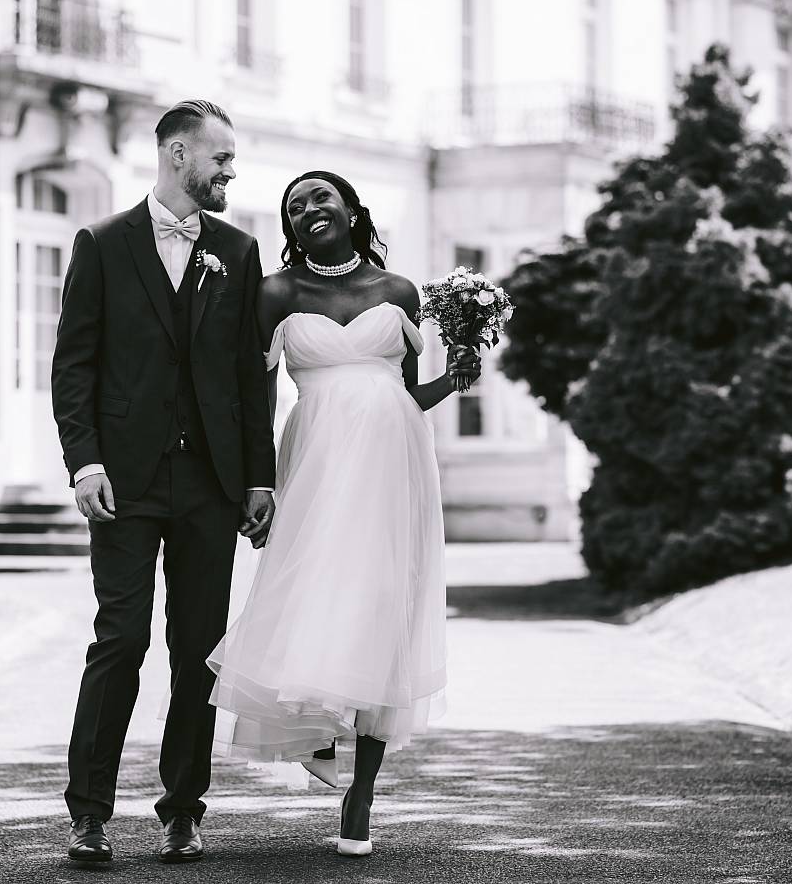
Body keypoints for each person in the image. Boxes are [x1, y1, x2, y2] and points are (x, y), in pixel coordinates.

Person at [206, 170, 479, 856]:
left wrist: (460, 374)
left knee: (384, 607)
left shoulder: (399, 293)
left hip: (396, 464)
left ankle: (363, 793)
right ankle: (316, 727)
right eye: (295, 207)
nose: (307, 211)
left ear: (354, 211)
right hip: (319, 460)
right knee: (316, 592)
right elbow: (260, 396)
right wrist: (259, 484)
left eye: (320, 198)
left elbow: (408, 395)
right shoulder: (276, 292)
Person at [51, 100, 277, 865]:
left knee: (198, 650)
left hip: (212, 483)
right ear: (179, 156)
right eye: (221, 158)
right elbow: (73, 365)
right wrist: (84, 461)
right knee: (120, 637)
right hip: (124, 479)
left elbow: (252, 378)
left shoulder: (238, 253)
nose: (230, 171)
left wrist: (258, 479)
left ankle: (183, 809)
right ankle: (89, 813)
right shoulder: (103, 243)